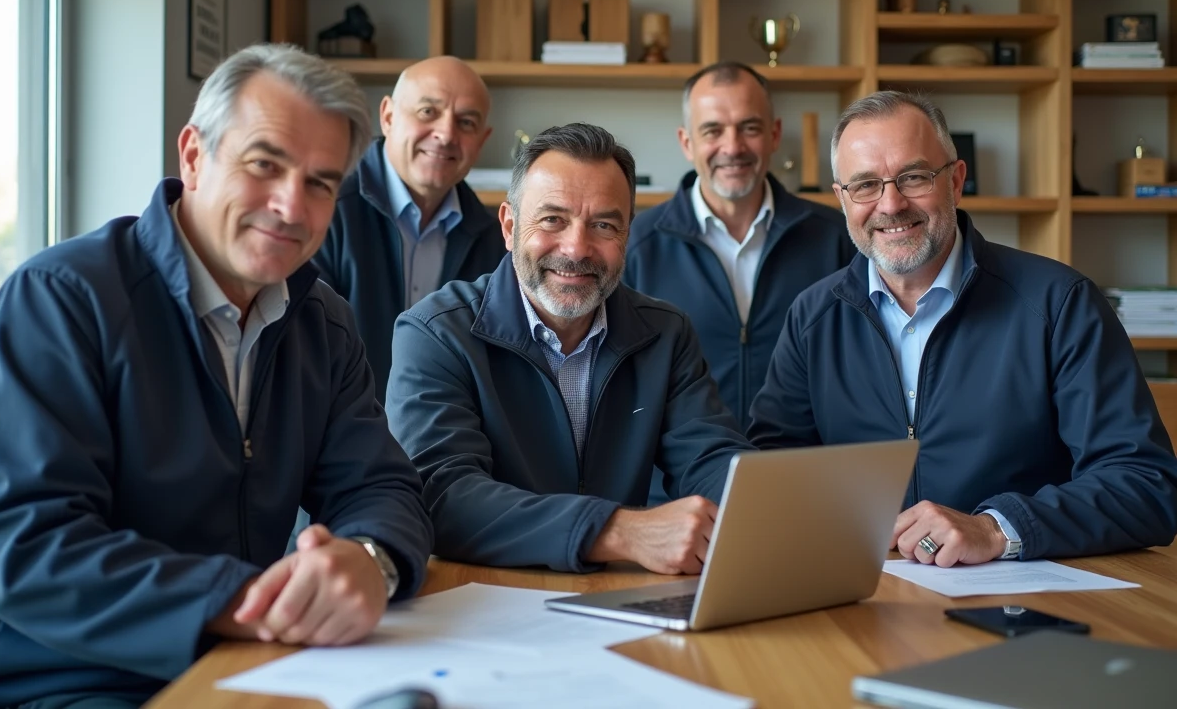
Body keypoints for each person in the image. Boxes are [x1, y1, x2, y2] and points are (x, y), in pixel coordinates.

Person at [0, 44, 433, 708]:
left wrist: (371, 561)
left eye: (319, 183)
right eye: (264, 165)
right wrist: (247, 600)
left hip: (243, 658)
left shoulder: (322, 321)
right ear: (193, 155)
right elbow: (30, 549)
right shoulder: (59, 300)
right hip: (60, 677)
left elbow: (382, 483)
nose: (290, 206)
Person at [747, 90, 1177, 566]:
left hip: (1025, 604)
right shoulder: (812, 317)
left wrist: (996, 528)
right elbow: (772, 475)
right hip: (864, 596)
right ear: (842, 199)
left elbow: (1145, 485)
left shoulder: (1059, 304)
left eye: (913, 177)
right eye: (865, 185)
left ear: (955, 181)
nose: (890, 204)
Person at [385, 122, 756, 575]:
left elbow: (711, 459)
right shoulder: (436, 331)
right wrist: (617, 531)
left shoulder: (666, 333)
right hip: (479, 598)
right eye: (552, 219)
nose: (576, 248)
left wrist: (753, 509)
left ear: (626, 237)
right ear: (509, 225)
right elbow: (440, 494)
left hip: (614, 597)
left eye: (603, 224)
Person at [625, 62, 854, 425]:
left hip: (802, 471)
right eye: (713, 130)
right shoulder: (636, 245)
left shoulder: (835, 237)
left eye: (749, 128)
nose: (733, 147)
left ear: (774, 134)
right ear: (687, 142)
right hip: (681, 478)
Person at [314, 56, 505, 398]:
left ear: (482, 140)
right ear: (387, 116)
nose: (446, 134)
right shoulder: (325, 210)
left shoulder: (496, 241)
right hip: (335, 435)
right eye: (428, 112)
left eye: (466, 122)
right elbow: (304, 352)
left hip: (442, 438)